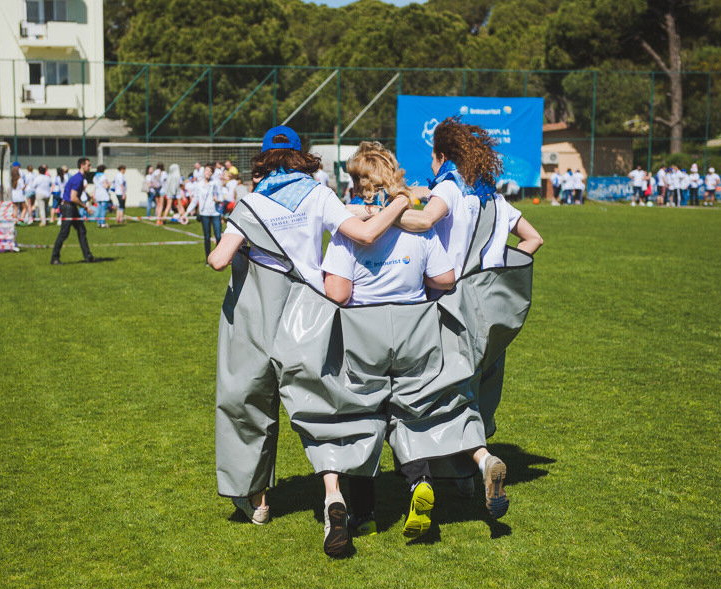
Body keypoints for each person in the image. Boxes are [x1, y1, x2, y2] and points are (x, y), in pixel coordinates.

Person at [207, 126, 410, 552]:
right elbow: (364, 234)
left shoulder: (251, 203)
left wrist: (235, 248)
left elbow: (219, 259)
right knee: (323, 404)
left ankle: (257, 501)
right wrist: (400, 203)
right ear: (301, 156)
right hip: (310, 313)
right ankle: (334, 494)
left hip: (256, 318)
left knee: (246, 400)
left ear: (263, 159)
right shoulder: (319, 195)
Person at [393, 116, 543, 536]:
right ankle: (465, 477)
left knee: (437, 392)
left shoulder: (449, 187)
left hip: (452, 304)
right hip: (493, 309)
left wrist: (381, 217)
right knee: (479, 388)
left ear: (442, 155)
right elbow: (533, 240)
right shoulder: (494, 196)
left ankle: (473, 464)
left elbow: (425, 222)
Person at [322, 141, 456, 540]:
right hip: (415, 327)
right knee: (411, 411)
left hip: (365, 329)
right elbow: (445, 279)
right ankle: (419, 481)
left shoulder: (350, 233)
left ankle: (363, 511)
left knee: (362, 415)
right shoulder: (418, 227)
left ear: (359, 183)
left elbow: (338, 293)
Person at [50, 157, 96, 265]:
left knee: (82, 230)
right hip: (68, 207)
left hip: (71, 207)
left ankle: (88, 256)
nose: (90, 167)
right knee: (64, 233)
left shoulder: (79, 178)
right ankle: (54, 258)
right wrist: (86, 207)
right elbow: (73, 197)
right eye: (88, 165)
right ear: (82, 166)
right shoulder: (78, 179)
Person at [184, 165, 222, 264]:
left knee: (218, 236)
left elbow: (221, 197)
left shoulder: (215, 183)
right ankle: (208, 259)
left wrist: (217, 200)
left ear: (212, 173)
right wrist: (186, 212)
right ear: (204, 172)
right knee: (207, 237)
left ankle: (216, 257)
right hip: (204, 213)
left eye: (210, 171)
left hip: (215, 213)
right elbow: (195, 200)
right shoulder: (199, 185)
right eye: (206, 171)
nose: (208, 173)